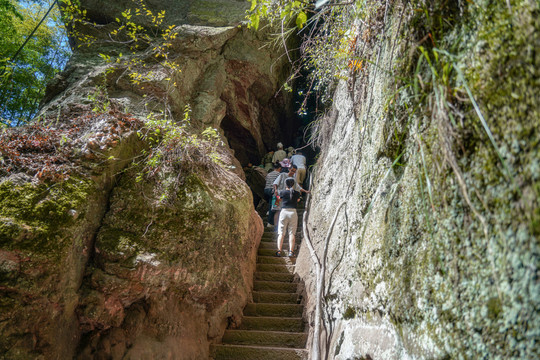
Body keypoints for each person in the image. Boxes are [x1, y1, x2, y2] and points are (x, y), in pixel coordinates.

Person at [275, 177, 301, 257]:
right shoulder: (297, 193)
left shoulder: (282, 192)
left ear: (285, 184)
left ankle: (279, 251)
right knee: (292, 233)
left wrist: (277, 195)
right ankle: (291, 252)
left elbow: (279, 199)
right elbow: (298, 200)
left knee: (281, 233)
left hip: (284, 212)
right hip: (293, 212)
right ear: (293, 184)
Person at [264, 163, 282, 228]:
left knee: (270, 204)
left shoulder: (268, 174)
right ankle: (270, 223)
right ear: (279, 168)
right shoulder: (279, 174)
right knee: (273, 207)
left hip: (266, 190)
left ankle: (268, 212)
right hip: (272, 190)